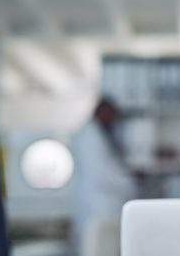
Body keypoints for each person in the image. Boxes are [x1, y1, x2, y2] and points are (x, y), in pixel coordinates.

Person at [71, 97, 139, 256]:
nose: (113, 120)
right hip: (99, 206)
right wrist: (130, 182)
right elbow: (101, 173)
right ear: (101, 111)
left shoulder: (99, 134)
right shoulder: (90, 136)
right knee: (98, 248)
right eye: (111, 114)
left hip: (103, 206)